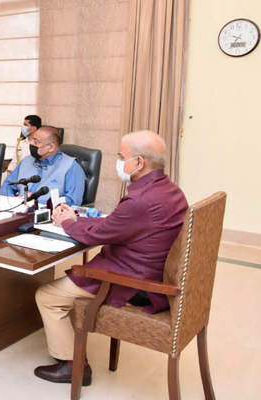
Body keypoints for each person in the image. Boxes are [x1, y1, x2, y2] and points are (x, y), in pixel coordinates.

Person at [33, 130, 188, 386]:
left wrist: (68, 223)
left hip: (130, 279)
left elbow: (101, 234)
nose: (118, 161)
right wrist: (79, 219)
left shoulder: (140, 200)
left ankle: (73, 365)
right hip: (150, 269)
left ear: (139, 163)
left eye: (121, 156)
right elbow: (120, 224)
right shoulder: (170, 190)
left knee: (47, 296)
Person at [0, 126, 85, 206]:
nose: (31, 143)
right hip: (17, 210)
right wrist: (13, 200)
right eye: (32, 139)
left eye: (36, 142)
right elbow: (7, 186)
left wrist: (35, 202)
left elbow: (73, 201)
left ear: (51, 147)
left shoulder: (71, 166)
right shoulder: (26, 160)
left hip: (48, 216)